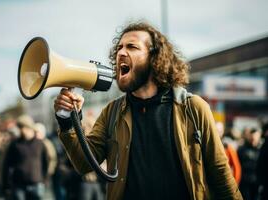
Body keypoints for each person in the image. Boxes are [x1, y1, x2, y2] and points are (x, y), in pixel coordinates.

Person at [54, 22, 242, 200]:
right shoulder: (111, 112)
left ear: (155, 58)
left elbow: (221, 176)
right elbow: (84, 163)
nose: (121, 53)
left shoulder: (193, 108)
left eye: (131, 47)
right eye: (119, 48)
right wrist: (66, 119)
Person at [1, 115, 48, 200]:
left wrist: (44, 180)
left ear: (29, 127)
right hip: (19, 185)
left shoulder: (40, 144)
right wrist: (6, 185)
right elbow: (6, 165)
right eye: (19, 127)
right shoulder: (14, 144)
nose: (21, 130)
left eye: (22, 127)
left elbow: (45, 162)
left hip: (36, 184)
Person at [238, 128, 262, 200]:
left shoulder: (262, 150)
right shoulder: (242, 149)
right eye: (252, 138)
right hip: (245, 181)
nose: (253, 140)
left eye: (255, 138)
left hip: (257, 182)